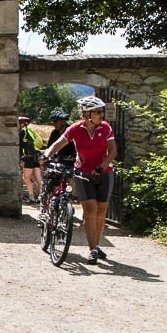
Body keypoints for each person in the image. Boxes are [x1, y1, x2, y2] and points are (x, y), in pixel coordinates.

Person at [43, 95, 116, 265]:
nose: (101, 115)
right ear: (86, 114)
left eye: (101, 112)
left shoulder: (105, 127)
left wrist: (103, 165)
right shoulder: (75, 129)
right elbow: (58, 144)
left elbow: (113, 151)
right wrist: (46, 155)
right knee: (90, 211)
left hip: (104, 173)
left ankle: (96, 245)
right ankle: (92, 250)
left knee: (101, 212)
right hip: (83, 173)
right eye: (97, 112)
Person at [18, 116, 45, 203]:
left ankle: (31, 197)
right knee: (39, 179)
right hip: (36, 156)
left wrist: (20, 157)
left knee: (26, 178)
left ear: (21, 123)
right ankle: (42, 197)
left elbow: (20, 146)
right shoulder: (30, 131)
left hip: (29, 157)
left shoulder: (22, 132)